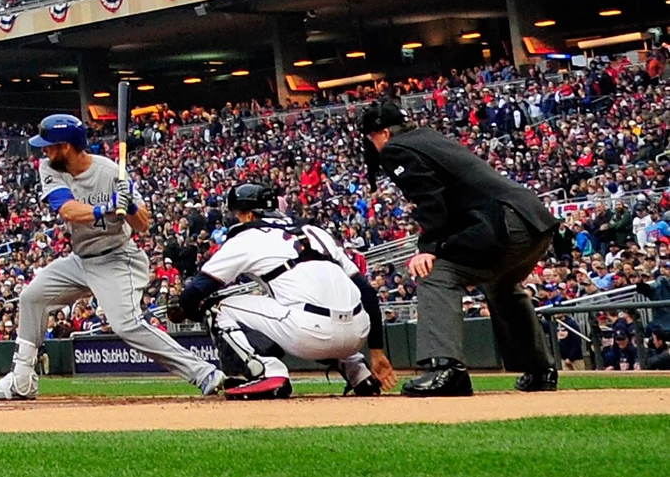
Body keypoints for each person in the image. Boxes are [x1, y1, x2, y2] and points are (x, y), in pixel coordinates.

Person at [0, 115, 222, 401]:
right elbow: (68, 210)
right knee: (32, 297)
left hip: (117, 258)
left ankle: (204, 372)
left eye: (49, 146)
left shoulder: (110, 172)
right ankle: (22, 379)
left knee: (127, 325)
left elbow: (142, 224)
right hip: (81, 260)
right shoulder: (49, 167)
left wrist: (130, 203)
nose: (43, 151)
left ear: (67, 147)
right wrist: (107, 207)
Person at [359, 98, 561, 397]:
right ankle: (539, 369)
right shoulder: (428, 138)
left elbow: (430, 197)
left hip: (504, 222)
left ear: (383, 133)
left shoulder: (395, 148)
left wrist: (429, 247)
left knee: (436, 273)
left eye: (370, 136)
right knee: (500, 284)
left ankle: (446, 369)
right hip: (535, 221)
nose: (371, 144)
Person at [170, 180, 386, 399]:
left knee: (217, 308)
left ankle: (268, 372)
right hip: (356, 335)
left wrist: (190, 311)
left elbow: (196, 291)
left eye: (238, 214)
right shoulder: (314, 231)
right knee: (306, 300)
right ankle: (359, 373)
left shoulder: (248, 237)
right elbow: (367, 292)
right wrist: (377, 351)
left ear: (249, 215)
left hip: (310, 333)